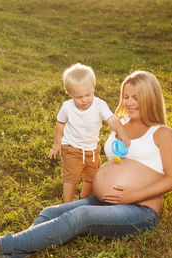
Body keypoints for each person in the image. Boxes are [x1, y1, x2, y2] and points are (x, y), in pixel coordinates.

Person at [0, 71, 172, 258]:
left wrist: (134, 195)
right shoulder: (120, 124)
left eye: (136, 97)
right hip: (104, 201)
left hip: (140, 211)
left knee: (79, 217)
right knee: (49, 211)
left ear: (150, 98)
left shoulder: (162, 133)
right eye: (126, 96)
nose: (129, 102)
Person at [48, 63, 130, 203]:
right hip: (72, 148)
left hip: (92, 150)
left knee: (93, 178)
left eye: (88, 94)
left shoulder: (99, 105)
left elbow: (112, 120)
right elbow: (60, 124)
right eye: (79, 97)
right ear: (69, 93)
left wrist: (122, 132)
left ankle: (82, 198)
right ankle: (67, 205)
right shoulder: (67, 107)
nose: (85, 100)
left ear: (93, 88)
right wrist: (57, 144)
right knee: (71, 179)